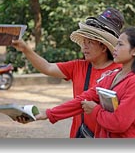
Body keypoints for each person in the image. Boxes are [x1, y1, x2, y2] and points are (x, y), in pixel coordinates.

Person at [17, 27, 135, 138]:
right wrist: (47, 114)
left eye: (120, 44)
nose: (115, 48)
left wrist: (95, 110)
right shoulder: (112, 75)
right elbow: (83, 99)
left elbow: (119, 123)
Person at [12, 8, 125, 138]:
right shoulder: (78, 66)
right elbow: (47, 68)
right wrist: (26, 49)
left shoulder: (120, 71)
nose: (84, 47)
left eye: (90, 42)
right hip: (79, 134)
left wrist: (47, 114)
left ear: (104, 47)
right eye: (84, 42)